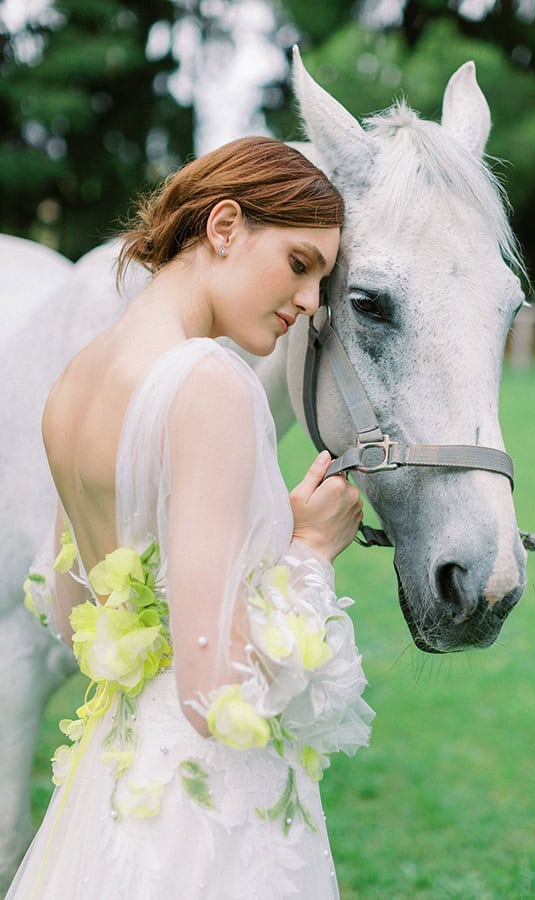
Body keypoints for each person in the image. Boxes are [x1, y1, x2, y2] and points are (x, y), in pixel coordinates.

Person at [10, 136, 373, 899]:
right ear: (225, 227)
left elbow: (74, 610)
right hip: (203, 820)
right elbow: (214, 695)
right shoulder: (210, 382)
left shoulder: (74, 381)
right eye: (301, 265)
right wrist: (310, 548)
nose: (310, 303)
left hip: (110, 788)